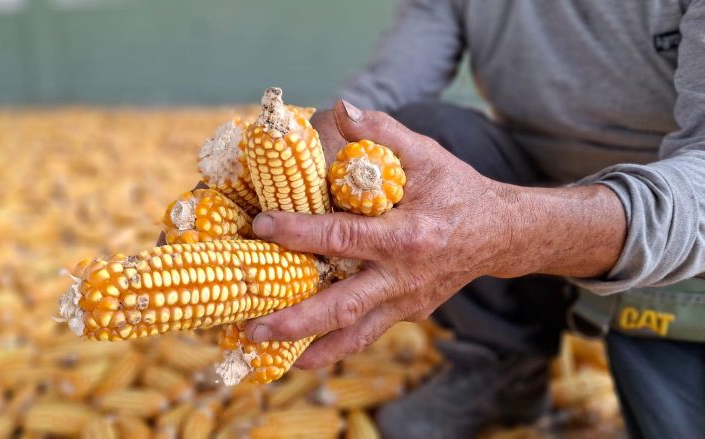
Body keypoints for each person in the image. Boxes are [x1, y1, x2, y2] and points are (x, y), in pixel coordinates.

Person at [243, 1, 705, 438]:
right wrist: (300, 151)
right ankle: (506, 363)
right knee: (428, 131)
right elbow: (379, 98)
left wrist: (503, 231)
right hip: (537, 188)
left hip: (682, 248)